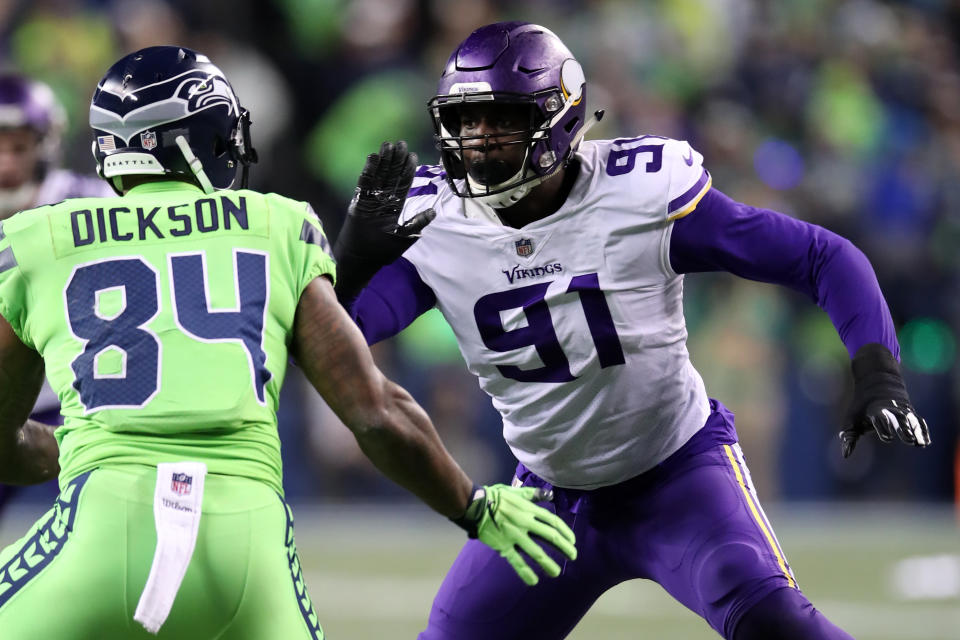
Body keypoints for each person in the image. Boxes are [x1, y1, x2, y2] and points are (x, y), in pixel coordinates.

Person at [333, 22, 932, 640]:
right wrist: (348, 266)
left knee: (770, 619)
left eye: (500, 119)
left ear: (557, 121)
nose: (478, 140)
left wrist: (877, 370)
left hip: (677, 473)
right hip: (547, 499)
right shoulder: (437, 219)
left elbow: (820, 257)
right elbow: (343, 331)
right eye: (465, 121)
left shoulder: (637, 191)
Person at [0, 45, 576, 640]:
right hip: (250, 545)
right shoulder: (275, 224)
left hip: (103, 531)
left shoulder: (35, 240)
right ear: (197, 139)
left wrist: (85, 447)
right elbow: (377, 413)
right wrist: (473, 506)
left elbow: (2, 438)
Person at [0, 73, 116, 514]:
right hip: (4, 394)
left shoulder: (93, 203)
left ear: (45, 145)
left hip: (80, 400)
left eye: (18, 147)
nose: (6, 164)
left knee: (100, 523)